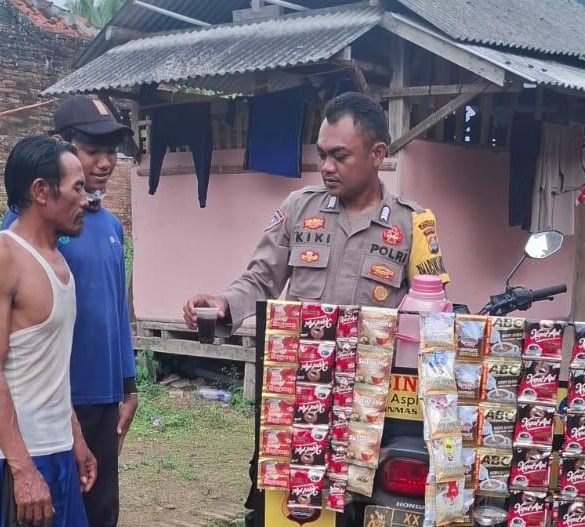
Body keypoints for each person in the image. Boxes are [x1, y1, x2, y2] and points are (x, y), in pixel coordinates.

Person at [183, 92, 450, 523]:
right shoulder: (298, 208)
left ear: (377, 154)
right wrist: (224, 303)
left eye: (340, 156)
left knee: (358, 511)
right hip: (297, 395)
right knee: (282, 510)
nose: (326, 166)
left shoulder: (413, 224)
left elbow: (434, 313)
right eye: (322, 154)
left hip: (370, 405)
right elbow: (260, 279)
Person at [2, 96, 137, 527]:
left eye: (111, 152)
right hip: (52, 399)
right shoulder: (31, 226)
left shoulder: (111, 227)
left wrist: (128, 385)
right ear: (60, 146)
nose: (104, 163)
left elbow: (117, 311)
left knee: (101, 509)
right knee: (51, 511)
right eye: (91, 150)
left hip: (104, 395)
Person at [0, 136, 95, 526]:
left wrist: (75, 437)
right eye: (77, 188)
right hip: (16, 457)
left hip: (57, 447)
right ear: (41, 190)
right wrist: (22, 469)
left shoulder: (59, 262)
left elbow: (50, 368)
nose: (87, 200)